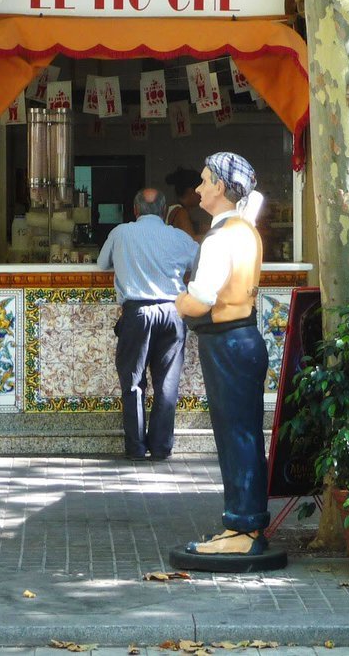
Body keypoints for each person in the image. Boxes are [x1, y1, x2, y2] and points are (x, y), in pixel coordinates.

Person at [173, 152, 278, 562]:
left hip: (227, 343)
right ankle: (244, 522)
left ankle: (243, 525)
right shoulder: (246, 231)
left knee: (236, 437)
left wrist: (178, 301)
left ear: (220, 185)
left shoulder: (220, 239)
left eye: (204, 181)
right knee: (245, 434)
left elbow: (200, 300)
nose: (198, 188)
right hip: (244, 338)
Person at [97, 188, 199, 461]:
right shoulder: (179, 237)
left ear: (135, 210)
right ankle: (161, 447)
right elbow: (199, 265)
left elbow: (101, 264)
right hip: (172, 311)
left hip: (137, 313)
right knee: (167, 383)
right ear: (165, 211)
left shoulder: (121, 233)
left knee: (133, 382)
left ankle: (136, 447)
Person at [164, 166, 205, 239]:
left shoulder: (174, 209)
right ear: (191, 191)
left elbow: (200, 227)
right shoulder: (181, 213)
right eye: (199, 191)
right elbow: (191, 241)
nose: (202, 194)